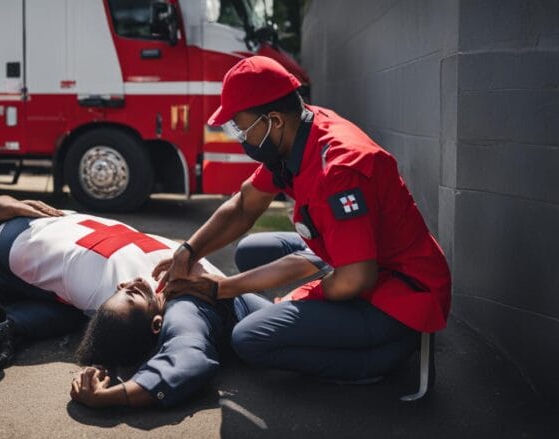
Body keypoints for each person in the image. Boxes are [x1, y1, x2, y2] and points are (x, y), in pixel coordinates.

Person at [156, 56, 452, 383]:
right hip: (356, 256)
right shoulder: (299, 131)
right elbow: (244, 206)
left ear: (274, 120)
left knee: (249, 340)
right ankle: (334, 328)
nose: (239, 137)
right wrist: (188, 251)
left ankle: (380, 358)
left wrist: (228, 290)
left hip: (399, 293)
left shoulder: (339, 170)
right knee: (250, 250)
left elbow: (356, 279)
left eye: (240, 127)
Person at [0, 196, 275, 407]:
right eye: (129, 292)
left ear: (157, 324)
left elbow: (186, 358)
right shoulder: (189, 298)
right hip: (12, 241)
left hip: (12, 239)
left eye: (128, 292)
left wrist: (110, 396)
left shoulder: (184, 304)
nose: (129, 282)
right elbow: (186, 356)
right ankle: (2, 322)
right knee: (61, 309)